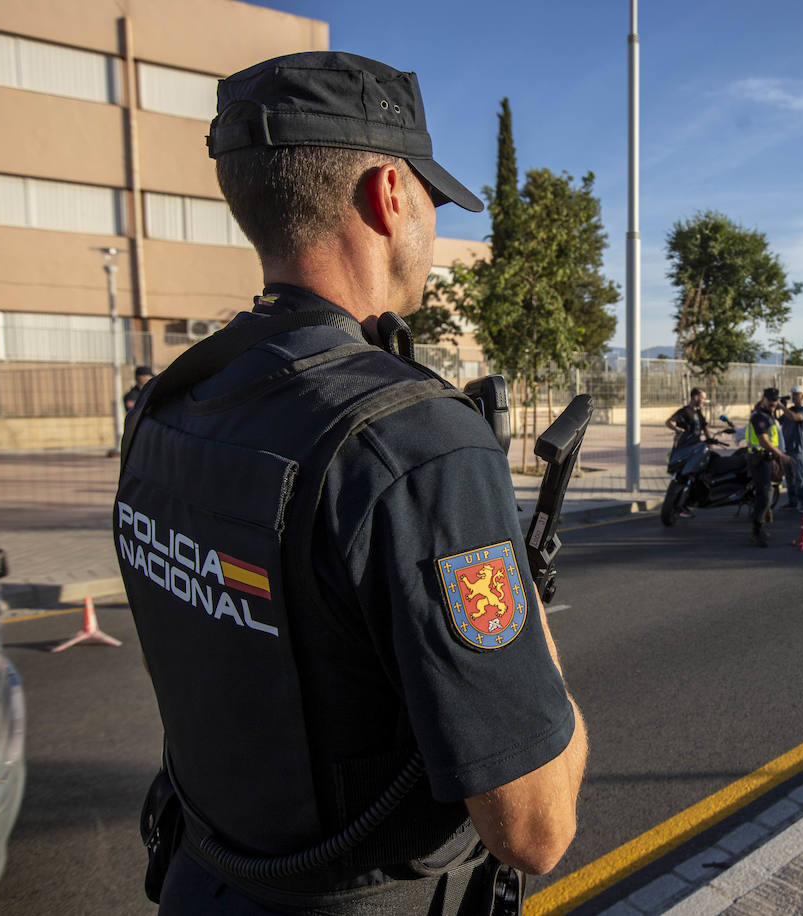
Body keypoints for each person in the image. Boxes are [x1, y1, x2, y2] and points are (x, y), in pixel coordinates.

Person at [115, 52, 586, 915]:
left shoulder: (169, 403)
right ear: (388, 194)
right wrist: (529, 605)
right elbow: (535, 827)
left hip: (202, 878)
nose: (432, 234)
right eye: (431, 203)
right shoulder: (418, 441)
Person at [744, 388, 791, 547]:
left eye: (775, 400)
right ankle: (756, 532)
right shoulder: (759, 417)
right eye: (770, 399)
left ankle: (759, 528)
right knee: (764, 496)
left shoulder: (768, 415)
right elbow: (763, 441)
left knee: (765, 495)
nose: (773, 402)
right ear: (763, 399)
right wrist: (781, 455)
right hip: (759, 459)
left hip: (766, 459)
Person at [780, 385, 803, 513]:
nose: (794, 397)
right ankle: (792, 501)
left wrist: (782, 407)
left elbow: (795, 417)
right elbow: (778, 421)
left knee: (800, 478)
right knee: (789, 478)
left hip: (798, 450)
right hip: (787, 449)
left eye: (797, 394)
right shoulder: (790, 410)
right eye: (792, 394)